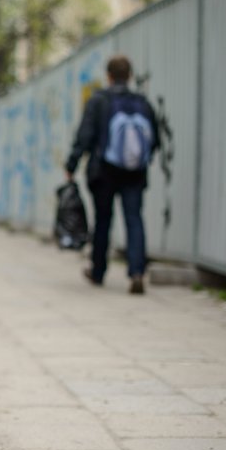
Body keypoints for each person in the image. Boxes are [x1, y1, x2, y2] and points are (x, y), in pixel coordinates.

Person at [65, 55, 160, 295]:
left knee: (103, 221)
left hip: (103, 171)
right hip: (135, 173)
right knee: (134, 219)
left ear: (108, 76)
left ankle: (98, 272)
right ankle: (137, 272)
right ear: (129, 76)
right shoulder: (142, 102)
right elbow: (155, 140)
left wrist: (72, 164)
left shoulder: (99, 101)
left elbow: (85, 136)